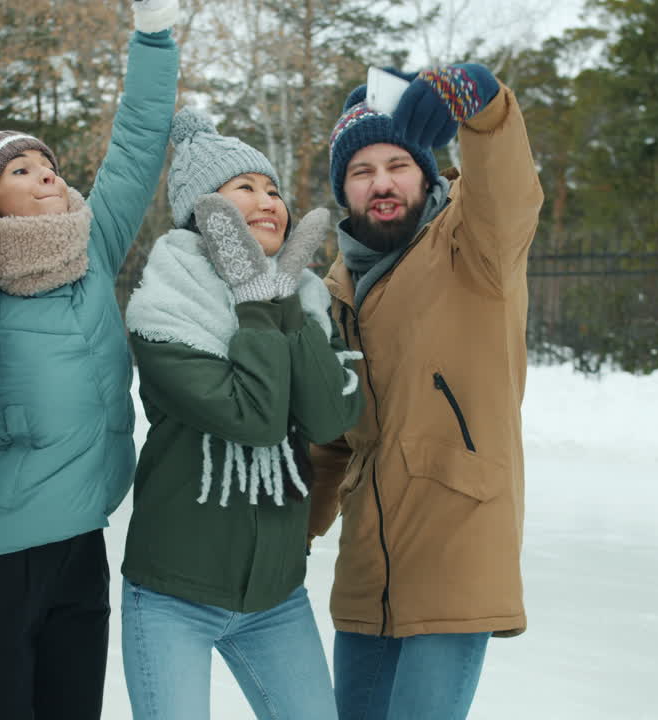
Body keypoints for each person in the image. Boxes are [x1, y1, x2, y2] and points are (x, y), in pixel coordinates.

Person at [0, 2, 180, 717]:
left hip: (84, 536)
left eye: (47, 163)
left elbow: (137, 142)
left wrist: (154, 36)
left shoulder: (90, 248)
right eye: (20, 168)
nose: (45, 174)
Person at [307, 64, 544, 720]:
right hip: (366, 571)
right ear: (343, 190)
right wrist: (280, 535)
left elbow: (509, 186)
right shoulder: (335, 294)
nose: (381, 181)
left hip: (456, 549)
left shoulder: (477, 247)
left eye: (396, 164)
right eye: (361, 170)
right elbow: (329, 438)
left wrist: (483, 103)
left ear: (427, 171)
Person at [119, 107, 364, 719]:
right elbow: (252, 418)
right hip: (174, 595)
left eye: (273, 188)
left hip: (278, 597)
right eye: (244, 188)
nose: (269, 200)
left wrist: (285, 300)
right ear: (204, 212)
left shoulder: (303, 300)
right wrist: (261, 303)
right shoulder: (165, 314)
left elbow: (330, 414)